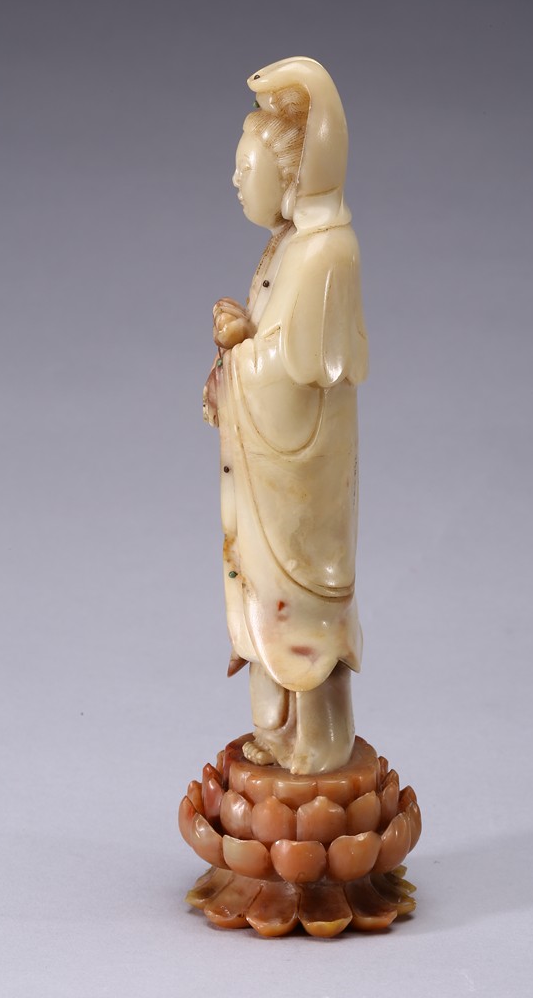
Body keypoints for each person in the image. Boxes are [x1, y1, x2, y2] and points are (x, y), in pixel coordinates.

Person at [203, 58, 368, 774]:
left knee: (305, 601)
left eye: (247, 169)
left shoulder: (326, 252)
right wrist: (243, 336)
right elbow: (274, 344)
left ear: (289, 172)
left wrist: (242, 353)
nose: (237, 180)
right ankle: (277, 729)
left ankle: (323, 739)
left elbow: (301, 370)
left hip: (303, 474)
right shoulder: (286, 245)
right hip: (272, 472)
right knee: (267, 594)